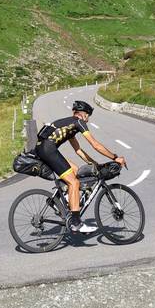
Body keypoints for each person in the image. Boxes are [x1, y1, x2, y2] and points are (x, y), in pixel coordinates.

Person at [35, 100, 126, 233]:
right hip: (49, 150)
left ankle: (61, 200)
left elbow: (79, 151)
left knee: (75, 170)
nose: (88, 120)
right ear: (83, 114)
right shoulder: (78, 122)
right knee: (74, 182)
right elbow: (95, 145)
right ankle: (76, 223)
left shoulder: (69, 125)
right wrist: (115, 157)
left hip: (43, 149)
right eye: (88, 116)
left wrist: (94, 164)